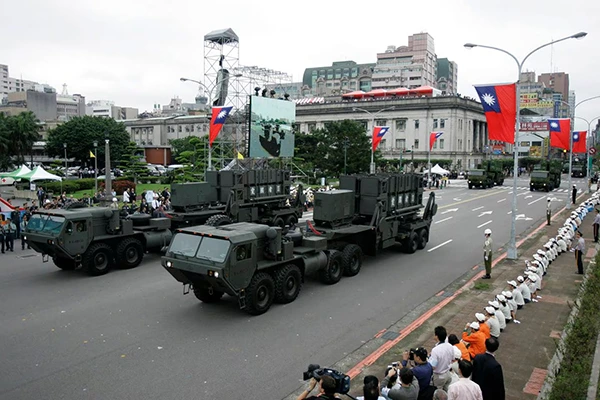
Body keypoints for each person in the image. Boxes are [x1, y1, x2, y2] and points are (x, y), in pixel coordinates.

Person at [429, 326, 455, 392]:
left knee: (438, 393)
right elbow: (453, 359)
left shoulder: (435, 350)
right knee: (447, 391)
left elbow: (433, 366)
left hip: (439, 376)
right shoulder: (450, 346)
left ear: (436, 336)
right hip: (447, 373)